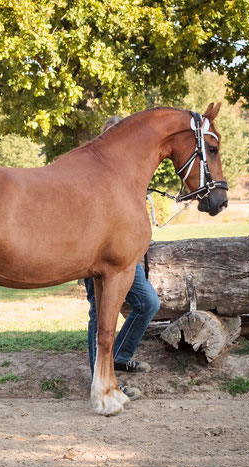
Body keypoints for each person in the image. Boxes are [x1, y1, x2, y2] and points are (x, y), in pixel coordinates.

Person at [84, 117, 160, 400]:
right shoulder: (97, 175)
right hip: (98, 256)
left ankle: (118, 356)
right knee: (100, 312)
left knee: (148, 303)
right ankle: (98, 377)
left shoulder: (130, 176)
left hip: (127, 259)